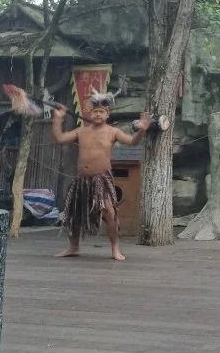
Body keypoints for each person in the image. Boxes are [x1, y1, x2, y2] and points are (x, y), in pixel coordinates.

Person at [52, 92, 151, 261]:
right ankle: (73, 247)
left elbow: (132, 141)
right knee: (74, 212)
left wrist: (142, 130)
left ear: (107, 114)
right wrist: (58, 119)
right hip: (82, 180)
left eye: (102, 112)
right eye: (95, 111)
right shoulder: (81, 131)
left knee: (110, 212)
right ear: (90, 114)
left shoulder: (113, 132)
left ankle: (115, 249)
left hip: (101, 179)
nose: (98, 114)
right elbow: (60, 138)